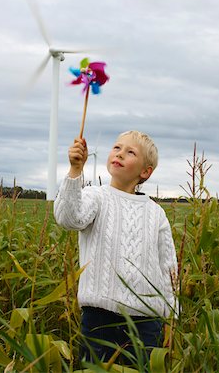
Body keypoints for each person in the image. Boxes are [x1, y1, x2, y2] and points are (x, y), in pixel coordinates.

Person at [54, 130, 178, 366]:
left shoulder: (156, 213)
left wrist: (170, 314)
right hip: (99, 316)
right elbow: (68, 218)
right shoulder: (94, 196)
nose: (120, 154)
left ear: (145, 171)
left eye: (130, 152)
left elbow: (168, 266)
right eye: (117, 147)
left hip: (146, 321)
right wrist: (75, 171)